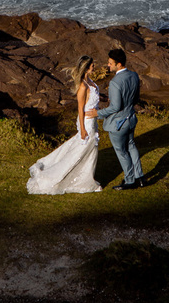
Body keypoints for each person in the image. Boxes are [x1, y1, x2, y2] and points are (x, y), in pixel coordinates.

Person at [26, 56, 102, 194]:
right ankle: (58, 177)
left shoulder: (90, 82)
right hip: (87, 122)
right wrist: (83, 129)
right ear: (86, 67)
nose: (94, 66)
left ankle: (87, 178)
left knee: (90, 151)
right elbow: (80, 108)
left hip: (93, 121)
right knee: (82, 150)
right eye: (92, 64)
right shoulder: (83, 87)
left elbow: (95, 97)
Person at [95, 47, 143, 190]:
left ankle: (129, 181)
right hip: (131, 118)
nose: (108, 65)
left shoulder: (115, 82)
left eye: (110, 63)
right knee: (131, 146)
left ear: (119, 64)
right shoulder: (134, 75)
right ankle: (140, 177)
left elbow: (115, 107)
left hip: (119, 124)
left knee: (121, 151)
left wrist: (97, 114)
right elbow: (136, 98)